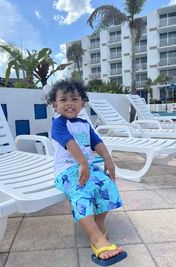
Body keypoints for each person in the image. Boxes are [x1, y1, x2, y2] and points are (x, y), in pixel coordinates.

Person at [47, 79, 127, 266]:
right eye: (63, 100)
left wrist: (108, 159)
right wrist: (82, 161)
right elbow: (69, 143)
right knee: (81, 192)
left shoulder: (84, 124)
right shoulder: (58, 125)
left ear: (82, 104)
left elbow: (97, 142)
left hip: (87, 167)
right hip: (67, 171)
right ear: (55, 105)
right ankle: (96, 238)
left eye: (74, 99)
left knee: (107, 185)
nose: (69, 103)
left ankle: (98, 225)